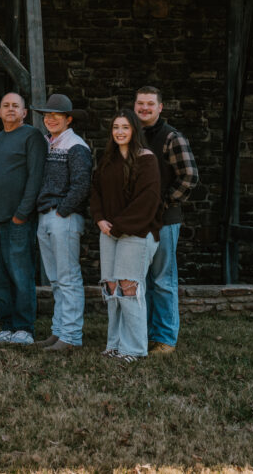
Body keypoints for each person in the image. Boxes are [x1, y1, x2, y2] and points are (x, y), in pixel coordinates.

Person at [91, 109, 162, 363]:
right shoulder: (107, 159)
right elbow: (95, 191)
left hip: (137, 231)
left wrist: (118, 225)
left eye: (125, 127)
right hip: (108, 231)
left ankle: (134, 348)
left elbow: (148, 200)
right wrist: (100, 219)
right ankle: (115, 344)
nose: (119, 132)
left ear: (134, 130)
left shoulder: (147, 159)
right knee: (111, 287)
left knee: (128, 287)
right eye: (115, 127)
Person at [134, 85, 199, 355]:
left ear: (160, 107)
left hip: (164, 220)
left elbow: (190, 177)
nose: (145, 108)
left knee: (163, 280)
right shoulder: (133, 134)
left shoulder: (172, 137)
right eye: (140, 104)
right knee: (144, 280)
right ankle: (148, 333)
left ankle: (166, 339)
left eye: (150, 104)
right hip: (138, 220)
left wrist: (164, 202)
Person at [31, 94, 92, 351]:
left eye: (56, 115)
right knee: (55, 279)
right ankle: (58, 332)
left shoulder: (76, 146)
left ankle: (71, 337)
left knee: (68, 279)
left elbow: (82, 184)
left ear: (68, 119)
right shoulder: (47, 143)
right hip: (46, 214)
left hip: (62, 216)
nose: (50, 119)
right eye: (47, 115)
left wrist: (63, 210)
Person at [0, 93, 46, 345]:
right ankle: (7, 326)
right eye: (6, 106)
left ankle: (24, 328)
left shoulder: (32, 136)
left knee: (21, 275)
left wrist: (22, 213)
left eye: (15, 106)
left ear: (24, 113)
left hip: (18, 219)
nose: (10, 110)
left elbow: (36, 176)